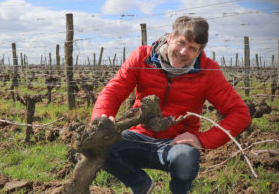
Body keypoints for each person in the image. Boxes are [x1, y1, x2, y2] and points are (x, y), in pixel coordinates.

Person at [91, 16, 251, 194]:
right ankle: (140, 183)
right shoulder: (142, 57)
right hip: (137, 137)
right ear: (170, 37)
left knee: (185, 160)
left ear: (199, 52)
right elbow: (114, 90)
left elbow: (240, 113)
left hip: (176, 143)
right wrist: (101, 120)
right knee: (98, 145)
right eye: (181, 42)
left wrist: (202, 140)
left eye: (192, 48)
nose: (183, 52)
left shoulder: (208, 72)